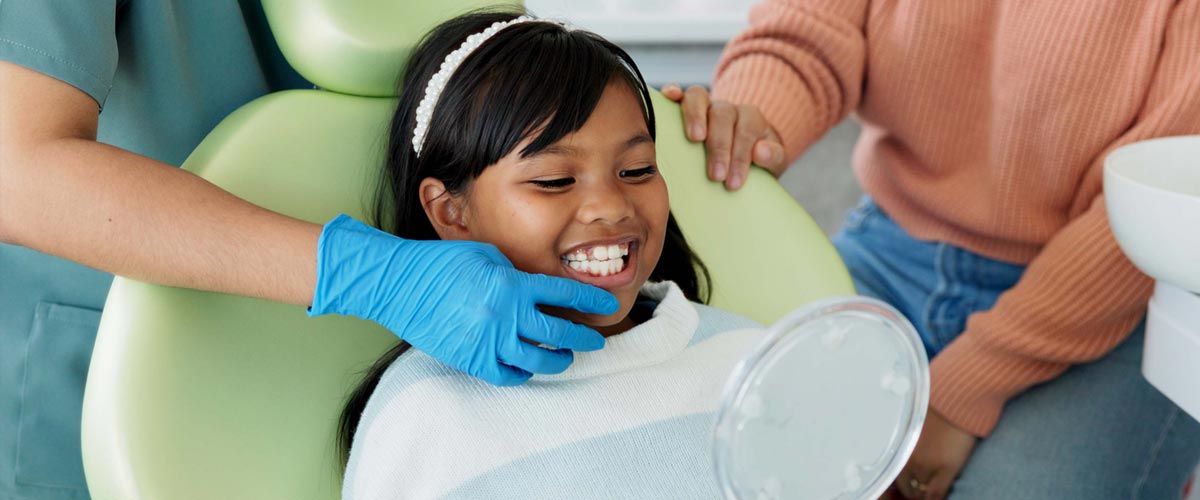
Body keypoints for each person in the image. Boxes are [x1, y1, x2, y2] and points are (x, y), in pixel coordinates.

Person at [0, 2, 615, 499]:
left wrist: (684, 129)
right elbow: (15, 173)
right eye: (556, 182)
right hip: (121, 390)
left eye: (641, 169)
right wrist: (377, 277)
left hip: (405, 352)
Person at [663, 0, 1200, 498]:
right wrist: (747, 134)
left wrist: (962, 392)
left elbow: (1162, 192)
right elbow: (806, 37)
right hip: (895, 240)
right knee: (722, 450)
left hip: (1127, 284)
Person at [336, 11, 771, 499]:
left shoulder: (752, 356)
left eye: (637, 169)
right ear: (450, 212)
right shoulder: (423, 414)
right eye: (554, 181)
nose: (611, 206)